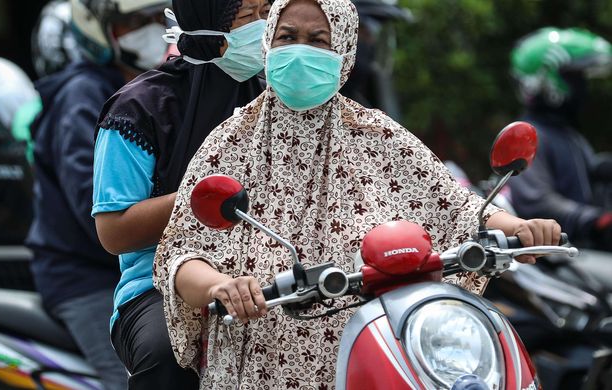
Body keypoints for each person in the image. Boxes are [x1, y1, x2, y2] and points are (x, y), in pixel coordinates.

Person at [152, 0, 562, 388]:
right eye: (287, 36)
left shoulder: (379, 135)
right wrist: (220, 286)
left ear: (345, 49)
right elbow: (181, 254)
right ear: (267, 44)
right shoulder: (230, 142)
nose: (300, 51)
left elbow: (458, 208)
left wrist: (523, 229)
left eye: (318, 40)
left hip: (382, 356)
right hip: (260, 362)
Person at [91, 0, 271, 387]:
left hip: (271, 273)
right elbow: (114, 231)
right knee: (165, 354)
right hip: (157, 287)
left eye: (266, 12)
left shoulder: (279, 99)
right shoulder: (139, 108)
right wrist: (203, 196)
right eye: (245, 17)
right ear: (206, 22)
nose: (261, 28)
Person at [24, 0, 170, 388]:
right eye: (136, 22)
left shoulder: (155, 88)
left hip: (143, 270)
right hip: (85, 276)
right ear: (100, 31)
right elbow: (94, 205)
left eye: (160, 18)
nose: (153, 29)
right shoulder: (84, 95)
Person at [507, 27, 612, 251]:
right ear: (546, 80)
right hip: (561, 253)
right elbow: (538, 202)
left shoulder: (567, 134)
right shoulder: (528, 136)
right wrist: (596, 221)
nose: (583, 86)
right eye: (574, 77)